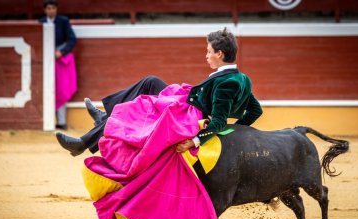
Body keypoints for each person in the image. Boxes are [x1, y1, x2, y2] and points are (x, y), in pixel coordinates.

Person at [56, 28, 263, 155]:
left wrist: (198, 140)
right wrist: (239, 127)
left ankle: (84, 143)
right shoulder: (241, 78)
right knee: (150, 82)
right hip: (187, 100)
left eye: (209, 52)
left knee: (141, 108)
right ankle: (106, 116)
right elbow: (256, 111)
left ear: (220, 53)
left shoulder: (228, 83)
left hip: (189, 114)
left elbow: (218, 121)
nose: (206, 56)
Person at [40, 0, 78, 130]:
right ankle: (47, 121)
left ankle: (61, 122)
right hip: (44, 61)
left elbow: (72, 39)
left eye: (53, 8)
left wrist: (62, 51)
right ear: (45, 10)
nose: (51, 10)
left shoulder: (63, 21)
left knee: (61, 89)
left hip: (61, 61)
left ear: (56, 9)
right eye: (48, 8)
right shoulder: (40, 22)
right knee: (46, 89)